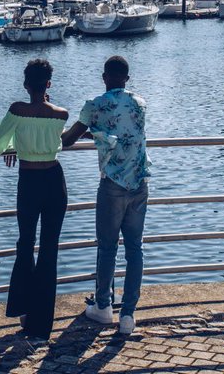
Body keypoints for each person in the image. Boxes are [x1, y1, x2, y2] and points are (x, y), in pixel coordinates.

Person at [61, 55, 150, 335]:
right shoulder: (140, 103)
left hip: (112, 184)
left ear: (104, 77)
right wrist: (97, 134)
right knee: (135, 248)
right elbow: (124, 131)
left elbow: (67, 139)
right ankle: (128, 315)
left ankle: (103, 306)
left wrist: (87, 133)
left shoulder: (94, 105)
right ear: (127, 78)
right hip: (139, 182)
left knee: (107, 246)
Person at [0, 58, 70, 342]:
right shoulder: (61, 114)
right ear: (48, 84)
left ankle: (24, 312)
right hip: (54, 181)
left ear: (25, 85)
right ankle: (42, 325)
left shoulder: (17, 110)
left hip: (29, 181)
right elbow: (58, 142)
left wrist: (12, 145)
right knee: (49, 250)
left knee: (25, 245)